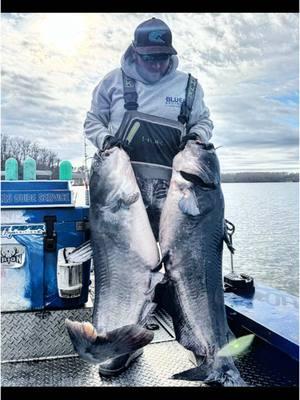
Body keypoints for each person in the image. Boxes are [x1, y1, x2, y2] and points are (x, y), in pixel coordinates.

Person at [84, 17, 214, 376]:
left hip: (173, 198)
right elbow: (92, 121)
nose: (156, 63)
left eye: (162, 56)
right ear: (135, 51)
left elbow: (204, 122)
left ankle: (201, 344)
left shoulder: (188, 86)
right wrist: (106, 143)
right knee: (122, 276)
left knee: (185, 271)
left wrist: (197, 138)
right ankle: (122, 345)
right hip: (123, 195)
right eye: (149, 57)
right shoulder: (112, 83)